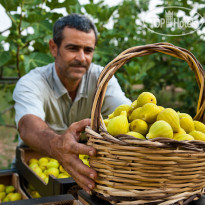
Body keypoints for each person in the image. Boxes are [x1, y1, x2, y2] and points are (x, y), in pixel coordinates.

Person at [13, 13, 131, 194]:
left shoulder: (102, 79)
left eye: (88, 50)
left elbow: (128, 114)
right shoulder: (32, 82)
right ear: (54, 48)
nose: (82, 57)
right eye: (73, 48)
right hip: (33, 166)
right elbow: (27, 125)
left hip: (86, 171)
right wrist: (57, 145)